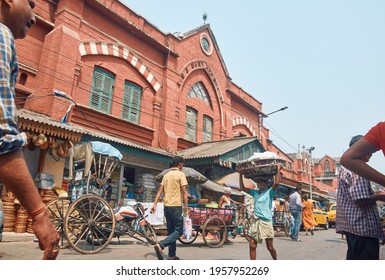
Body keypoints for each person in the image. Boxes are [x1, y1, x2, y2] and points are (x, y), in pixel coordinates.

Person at [0, 0, 59, 259]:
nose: (34, 17)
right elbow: (2, 138)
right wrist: (39, 214)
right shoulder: (2, 35)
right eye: (31, 4)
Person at [337, 135, 385, 259]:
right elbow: (360, 199)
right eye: (369, 153)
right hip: (362, 228)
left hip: (354, 228)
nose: (369, 158)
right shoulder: (357, 168)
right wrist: (379, 196)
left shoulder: (344, 169)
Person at [237, 164, 282, 260]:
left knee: (269, 247)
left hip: (266, 222)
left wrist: (278, 169)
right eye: (258, 182)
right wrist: (240, 175)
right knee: (252, 245)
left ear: (266, 184)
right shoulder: (255, 193)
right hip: (256, 221)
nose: (259, 184)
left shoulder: (269, 192)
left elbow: (277, 182)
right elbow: (242, 188)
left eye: (261, 182)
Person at [151, 156, 189, 260]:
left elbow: (159, 191)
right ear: (180, 164)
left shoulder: (166, 175)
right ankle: (161, 245)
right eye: (183, 165)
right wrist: (186, 207)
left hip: (166, 207)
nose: (182, 167)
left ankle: (172, 255)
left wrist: (154, 205)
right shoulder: (181, 175)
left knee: (171, 231)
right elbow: (185, 192)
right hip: (176, 206)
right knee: (179, 231)